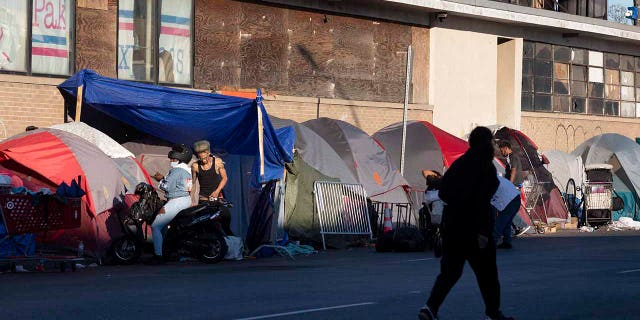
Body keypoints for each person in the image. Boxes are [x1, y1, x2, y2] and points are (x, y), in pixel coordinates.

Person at [418, 126, 514, 320]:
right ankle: (493, 313)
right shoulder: (486, 169)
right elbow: (481, 204)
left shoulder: (459, 164)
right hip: (475, 231)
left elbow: (443, 192)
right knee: (487, 275)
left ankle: (430, 308)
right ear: (487, 144)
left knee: (450, 272)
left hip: (453, 227)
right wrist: (483, 233)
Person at [148, 144, 193, 264]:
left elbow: (166, 186)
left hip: (176, 200)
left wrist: (160, 180)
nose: (171, 161)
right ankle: (165, 251)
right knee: (163, 227)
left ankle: (158, 256)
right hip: (185, 199)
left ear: (180, 160)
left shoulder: (176, 170)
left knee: (156, 226)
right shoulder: (187, 170)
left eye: (173, 159)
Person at [191, 140, 233, 236]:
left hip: (217, 199)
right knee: (204, 227)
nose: (203, 161)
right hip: (203, 200)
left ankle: (234, 244)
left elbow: (225, 178)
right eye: (200, 158)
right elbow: (193, 184)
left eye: (205, 158)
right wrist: (191, 200)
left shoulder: (217, 162)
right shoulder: (195, 166)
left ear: (208, 153)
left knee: (226, 222)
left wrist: (217, 191)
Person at [492, 175, 522, 249]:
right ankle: (507, 242)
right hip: (515, 198)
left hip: (510, 200)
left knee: (500, 222)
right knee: (506, 222)